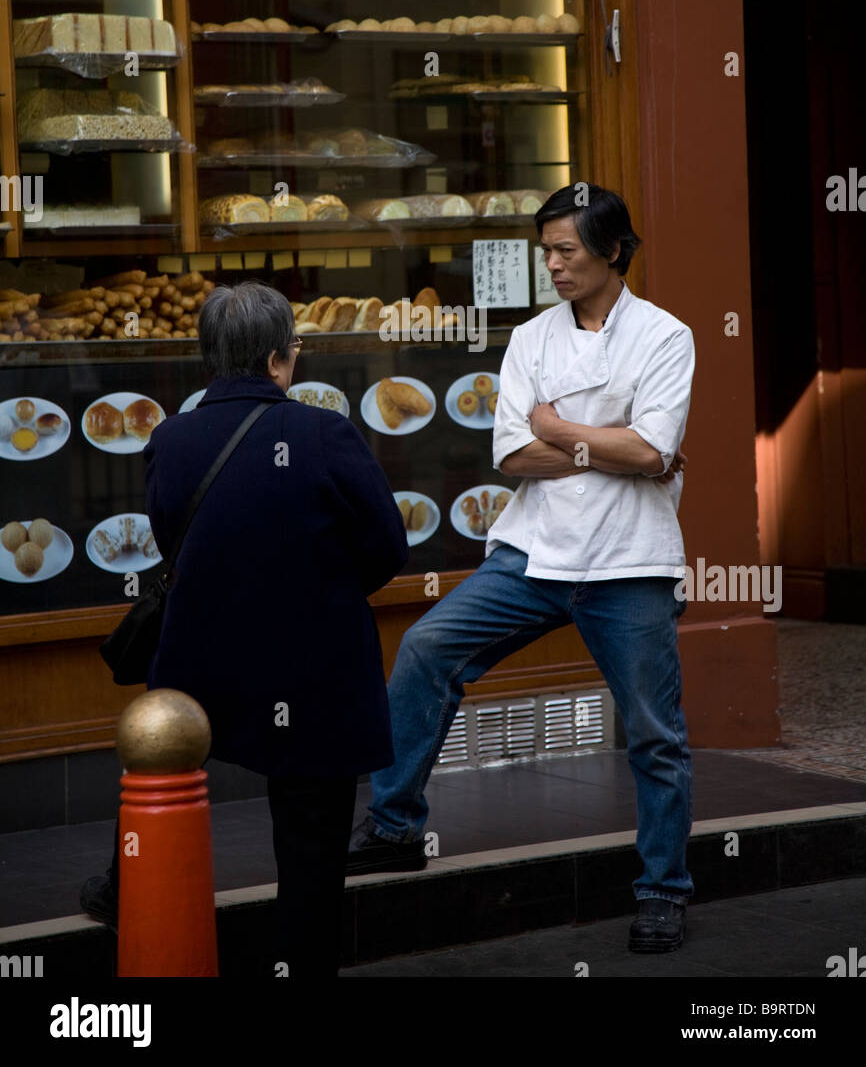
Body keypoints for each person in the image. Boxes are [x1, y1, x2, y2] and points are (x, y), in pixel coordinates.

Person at [347, 183, 695, 953]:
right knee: (426, 651)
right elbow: (512, 455)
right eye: (546, 251)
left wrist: (561, 429)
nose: (554, 265)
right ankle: (397, 825)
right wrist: (610, 444)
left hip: (630, 563)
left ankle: (664, 889)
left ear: (611, 250)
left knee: (652, 733)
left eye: (566, 250)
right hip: (531, 553)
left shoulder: (667, 336)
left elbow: (653, 452)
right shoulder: (531, 337)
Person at [81, 282, 407, 976]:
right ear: (278, 361)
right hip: (314, 667)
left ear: (208, 361)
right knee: (311, 835)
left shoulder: (171, 438)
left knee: (162, 764)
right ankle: (303, 964)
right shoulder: (324, 432)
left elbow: (176, 540)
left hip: (204, 655)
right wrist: (320, 594)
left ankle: (126, 900)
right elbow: (386, 547)